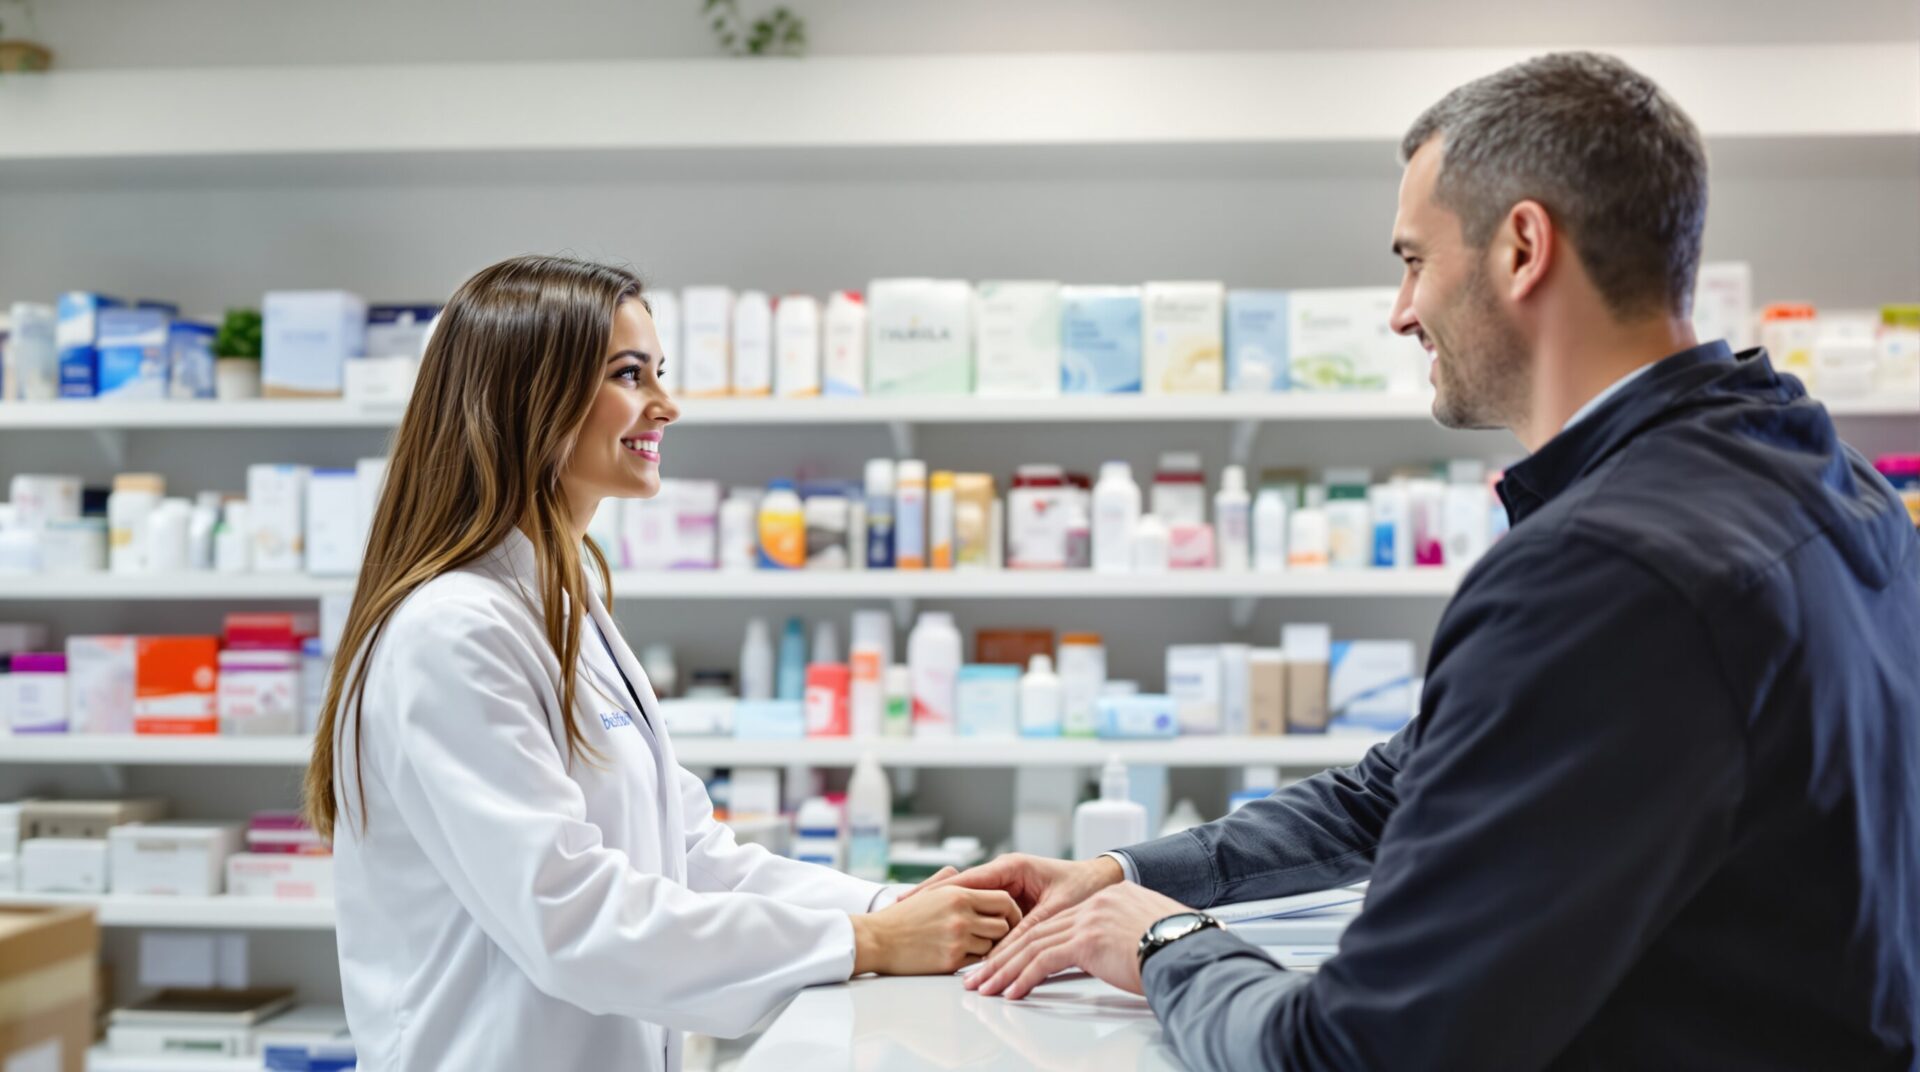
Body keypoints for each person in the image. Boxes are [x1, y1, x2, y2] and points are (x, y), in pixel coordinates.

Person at [923, 52, 1920, 1070]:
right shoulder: (1834, 483)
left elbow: (1352, 1053)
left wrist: (1164, 941)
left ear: (1522, 248)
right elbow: (1395, 788)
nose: (1401, 312)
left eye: (1412, 259)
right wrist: (1120, 871)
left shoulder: (1605, 569)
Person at [303, 255, 1022, 1071]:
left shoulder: (564, 604)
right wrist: (864, 941)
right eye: (628, 374)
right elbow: (570, 919)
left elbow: (692, 859)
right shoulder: (453, 631)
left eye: (659, 372)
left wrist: (898, 907)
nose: (666, 405)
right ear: (529, 395)